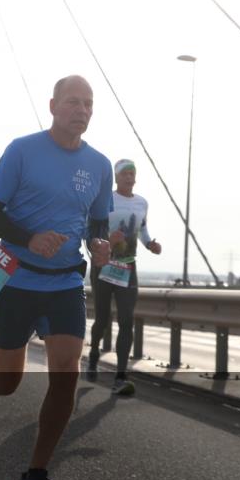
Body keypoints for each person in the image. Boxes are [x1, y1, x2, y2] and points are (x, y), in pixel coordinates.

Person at [0, 74, 113, 480]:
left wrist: (100, 244)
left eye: (88, 104)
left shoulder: (100, 165)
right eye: (72, 102)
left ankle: (36, 477)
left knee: (67, 371)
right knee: (10, 380)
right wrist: (29, 237)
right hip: (15, 278)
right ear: (52, 105)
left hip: (65, 281)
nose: (81, 110)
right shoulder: (24, 149)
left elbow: (98, 221)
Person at [87, 159, 162, 395]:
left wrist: (150, 243)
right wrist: (110, 238)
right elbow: (92, 230)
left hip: (128, 268)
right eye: (125, 174)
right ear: (116, 177)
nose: (129, 177)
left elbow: (142, 229)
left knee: (127, 319)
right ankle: (93, 354)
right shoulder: (104, 200)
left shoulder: (142, 203)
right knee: (102, 319)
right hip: (104, 265)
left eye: (132, 173)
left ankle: (120, 375)